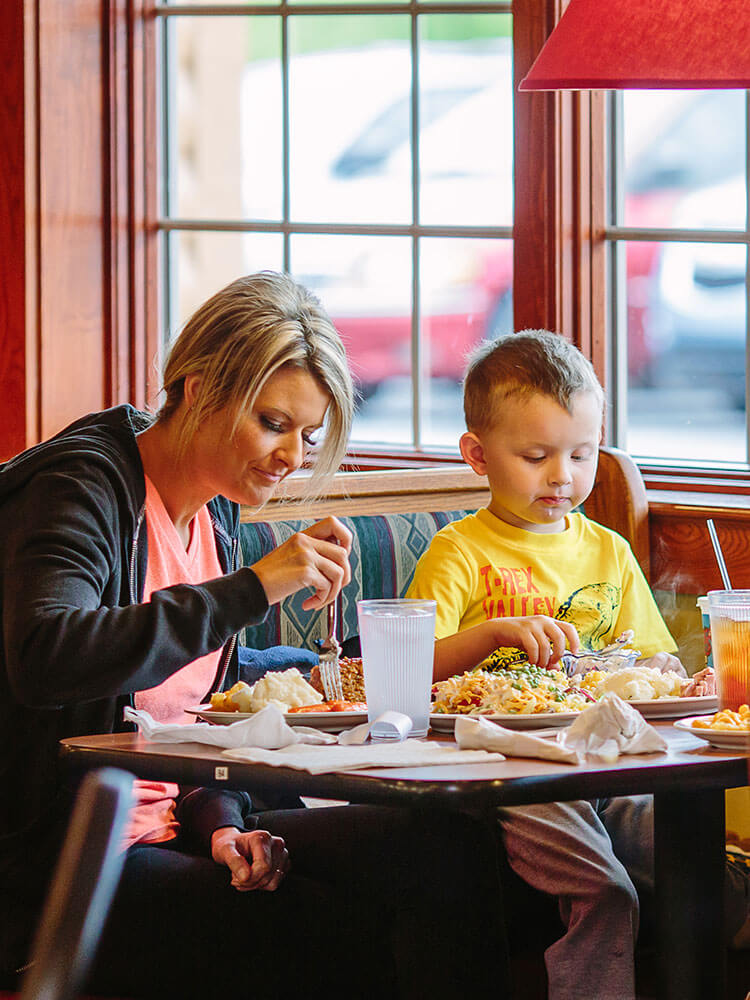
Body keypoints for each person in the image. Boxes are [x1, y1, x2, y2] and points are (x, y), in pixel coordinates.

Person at [0, 271, 504, 999]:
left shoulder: (215, 509)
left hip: (176, 827)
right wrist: (256, 587)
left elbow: (181, 720)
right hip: (66, 864)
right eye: (273, 424)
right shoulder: (81, 485)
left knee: (444, 843)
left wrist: (219, 821)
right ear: (199, 390)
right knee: (322, 927)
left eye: (309, 435)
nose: (293, 457)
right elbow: (47, 657)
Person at [406, 329, 683, 1000]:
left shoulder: (609, 551)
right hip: (511, 769)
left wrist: (675, 677)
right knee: (606, 890)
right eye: (535, 455)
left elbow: (656, 662)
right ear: (477, 454)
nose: (562, 475)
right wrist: (493, 632)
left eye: (582, 455)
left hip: (606, 756)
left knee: (686, 853)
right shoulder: (459, 552)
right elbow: (407, 668)